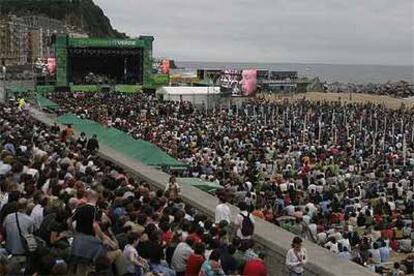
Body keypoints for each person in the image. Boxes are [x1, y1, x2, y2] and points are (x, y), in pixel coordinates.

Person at [2, 198, 35, 270]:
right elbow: (30, 236)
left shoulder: (8, 217)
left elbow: (4, 229)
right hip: (21, 251)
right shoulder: (29, 220)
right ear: (26, 207)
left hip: (9, 248)